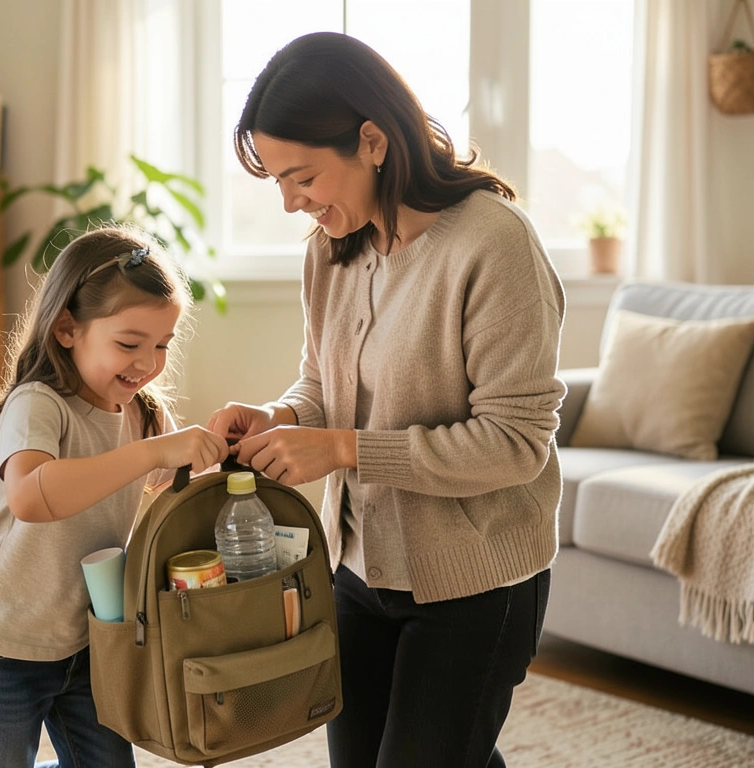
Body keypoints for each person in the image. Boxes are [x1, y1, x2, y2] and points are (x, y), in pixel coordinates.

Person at [207, 32, 566, 768]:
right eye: (276, 181)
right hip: (357, 572)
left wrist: (342, 450)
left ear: (371, 139)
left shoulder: (493, 244)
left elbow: (515, 444)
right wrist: (280, 419)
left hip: (477, 581)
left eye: (300, 176)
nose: (289, 203)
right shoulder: (329, 250)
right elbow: (320, 386)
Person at [0, 225, 229, 768]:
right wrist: (154, 453)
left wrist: (217, 450)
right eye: (129, 344)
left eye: (162, 346)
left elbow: (168, 480)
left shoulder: (140, 411)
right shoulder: (38, 405)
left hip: (86, 640)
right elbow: (31, 496)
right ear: (67, 329)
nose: (147, 364)